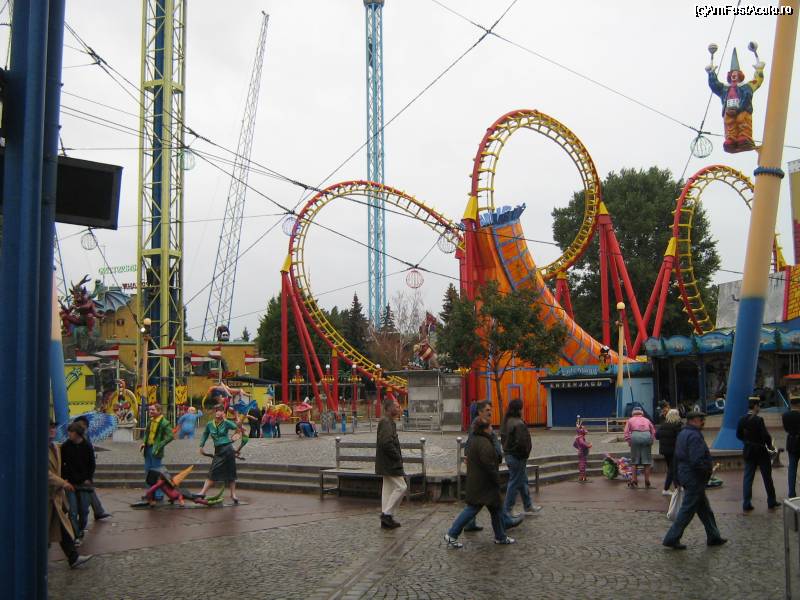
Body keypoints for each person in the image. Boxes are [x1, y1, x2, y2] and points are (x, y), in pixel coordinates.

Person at [444, 418, 516, 548]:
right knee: (473, 508)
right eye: (490, 427)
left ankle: (500, 536)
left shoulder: (475, 440)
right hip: (484, 484)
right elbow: (489, 464)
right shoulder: (484, 443)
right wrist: (496, 479)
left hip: (479, 482)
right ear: (485, 429)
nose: (492, 429)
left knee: (495, 509)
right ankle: (452, 534)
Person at [662, 411, 726, 550]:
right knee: (687, 510)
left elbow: (676, 457)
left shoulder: (683, 434)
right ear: (693, 420)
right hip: (694, 477)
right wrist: (707, 470)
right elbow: (696, 460)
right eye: (701, 419)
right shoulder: (694, 436)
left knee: (704, 509)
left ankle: (714, 536)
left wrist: (676, 477)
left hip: (686, 475)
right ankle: (671, 538)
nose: (703, 422)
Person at [463, 402, 524, 531]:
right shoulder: (477, 425)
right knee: (491, 500)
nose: (490, 412)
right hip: (485, 468)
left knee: (482, 502)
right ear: (480, 412)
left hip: (486, 466)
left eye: (490, 409)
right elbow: (473, 444)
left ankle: (470, 523)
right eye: (487, 410)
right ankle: (504, 523)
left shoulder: (484, 424)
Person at [48, 421, 93, 569]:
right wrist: (63, 482)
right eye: (49, 428)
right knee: (49, 528)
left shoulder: (56, 447)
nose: (53, 430)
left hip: (56, 495)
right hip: (48, 495)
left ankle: (73, 557)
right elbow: (45, 472)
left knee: (61, 526)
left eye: (53, 428)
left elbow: (90, 463)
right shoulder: (42, 448)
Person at [706, 48, 765, 153]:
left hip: (742, 108)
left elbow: (757, 81)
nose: (733, 75)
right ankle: (731, 139)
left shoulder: (746, 87)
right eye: (732, 74)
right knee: (730, 124)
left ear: (740, 75)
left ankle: (745, 137)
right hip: (729, 109)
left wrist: (759, 70)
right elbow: (714, 85)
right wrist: (711, 73)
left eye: (736, 73)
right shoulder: (724, 89)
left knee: (742, 121)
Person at [197, 404, 248, 503]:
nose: (218, 412)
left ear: (223, 413)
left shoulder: (226, 423)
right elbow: (205, 434)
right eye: (216, 411)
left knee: (231, 472)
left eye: (220, 411)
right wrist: (201, 446)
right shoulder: (210, 424)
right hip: (218, 450)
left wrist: (229, 423)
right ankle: (202, 492)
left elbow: (236, 428)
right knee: (213, 471)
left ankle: (233, 494)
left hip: (228, 449)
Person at [736, 397, 779, 511]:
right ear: (755, 406)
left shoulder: (741, 419)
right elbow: (765, 435)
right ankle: (771, 501)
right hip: (760, 451)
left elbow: (738, 435)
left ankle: (746, 503)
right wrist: (770, 445)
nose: (759, 408)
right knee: (767, 477)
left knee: (748, 477)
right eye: (759, 406)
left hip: (748, 451)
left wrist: (746, 441)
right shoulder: (759, 420)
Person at [500, 399, 539, 515]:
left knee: (522, 480)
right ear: (518, 410)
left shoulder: (506, 421)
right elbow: (522, 442)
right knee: (515, 481)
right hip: (517, 456)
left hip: (509, 454)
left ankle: (528, 505)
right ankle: (508, 509)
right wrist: (524, 454)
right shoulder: (518, 423)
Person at [61, 422, 96, 543]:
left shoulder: (87, 446)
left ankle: (80, 529)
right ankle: (75, 535)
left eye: (71, 432)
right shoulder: (66, 446)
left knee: (84, 510)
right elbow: (62, 463)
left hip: (83, 482)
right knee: (73, 511)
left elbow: (92, 464)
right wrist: (64, 478)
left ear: (77, 433)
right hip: (70, 482)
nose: (69, 434)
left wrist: (88, 478)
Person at [73, 415, 111, 521]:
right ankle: (97, 511)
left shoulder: (86, 436)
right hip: (78, 471)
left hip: (85, 469)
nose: (83, 427)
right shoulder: (73, 438)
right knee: (88, 490)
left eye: (85, 425)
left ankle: (98, 510)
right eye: (81, 425)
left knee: (89, 490)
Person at [375, 398, 406, 529]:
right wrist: (397, 456)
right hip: (390, 463)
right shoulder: (386, 422)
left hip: (385, 463)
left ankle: (387, 517)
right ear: (389, 408)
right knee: (402, 487)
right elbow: (386, 443)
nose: (399, 409)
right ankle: (387, 514)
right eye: (397, 407)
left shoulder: (388, 422)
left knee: (387, 490)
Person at [140, 403, 174, 501]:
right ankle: (150, 492)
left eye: (153, 410)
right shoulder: (150, 421)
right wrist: (144, 442)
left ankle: (159, 494)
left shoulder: (164, 423)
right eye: (150, 410)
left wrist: (160, 444)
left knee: (157, 472)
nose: (150, 411)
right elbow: (146, 433)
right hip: (148, 448)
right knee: (148, 471)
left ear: (159, 411)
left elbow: (170, 436)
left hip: (156, 450)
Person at [623, 407, 656, 488]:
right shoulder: (647, 420)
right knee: (647, 461)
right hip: (647, 436)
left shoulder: (630, 420)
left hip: (635, 437)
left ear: (633, 413)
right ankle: (647, 481)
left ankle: (634, 480)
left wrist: (629, 441)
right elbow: (653, 430)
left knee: (634, 461)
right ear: (642, 412)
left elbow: (626, 432)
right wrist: (651, 440)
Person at [656, 409, 683, 496]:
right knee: (672, 469)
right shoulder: (677, 425)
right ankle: (667, 488)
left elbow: (657, 436)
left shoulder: (663, 425)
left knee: (671, 468)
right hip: (674, 450)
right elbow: (680, 438)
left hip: (664, 450)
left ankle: (677, 486)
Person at [783, 397, 800, 497]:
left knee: (792, 468)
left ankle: (791, 493)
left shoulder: (785, 415)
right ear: (798, 404)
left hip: (791, 442)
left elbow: (786, 429)